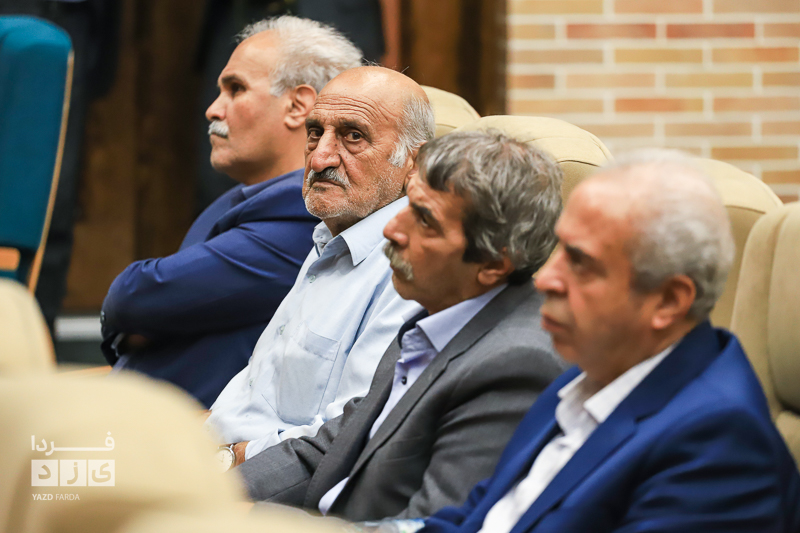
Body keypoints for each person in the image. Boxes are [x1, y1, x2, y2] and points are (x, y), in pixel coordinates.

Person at [417, 150, 800, 533]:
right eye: (559, 248)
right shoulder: (587, 375)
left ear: (668, 301)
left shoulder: (719, 442)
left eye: (579, 261)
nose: (546, 279)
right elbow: (478, 518)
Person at [236, 131, 569, 521]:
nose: (392, 230)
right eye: (407, 203)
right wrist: (209, 488)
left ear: (494, 262)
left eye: (425, 220)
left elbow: (433, 524)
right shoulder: (434, 317)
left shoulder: (515, 363)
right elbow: (331, 447)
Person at [100, 16, 363, 407]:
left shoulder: (308, 211)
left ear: (297, 106)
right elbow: (147, 307)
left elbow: (133, 297)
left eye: (235, 89)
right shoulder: (246, 199)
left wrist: (144, 316)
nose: (212, 110)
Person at [206, 66, 434, 464]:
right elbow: (257, 389)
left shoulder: (411, 267)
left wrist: (224, 460)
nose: (320, 157)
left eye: (353, 136)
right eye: (315, 132)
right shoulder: (331, 235)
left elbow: (348, 434)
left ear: (414, 163)